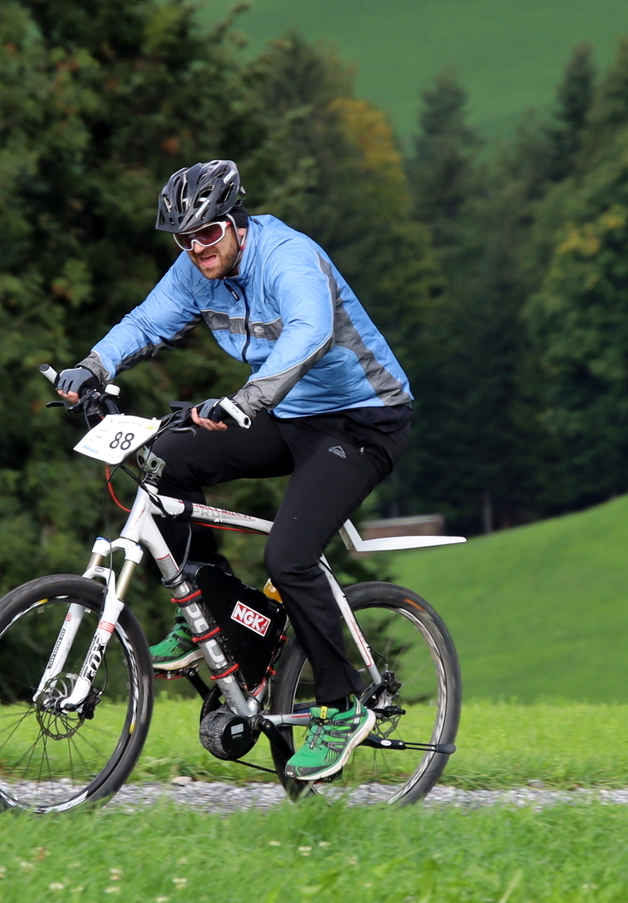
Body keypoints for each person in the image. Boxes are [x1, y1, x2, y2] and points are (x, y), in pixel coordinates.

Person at [53, 159, 414, 782]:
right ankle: (209, 613)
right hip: (287, 414)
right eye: (184, 239)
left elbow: (310, 331)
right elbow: (147, 321)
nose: (196, 248)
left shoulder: (287, 258)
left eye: (207, 233)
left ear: (236, 224)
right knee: (165, 461)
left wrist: (246, 400)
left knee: (290, 556)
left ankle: (341, 704)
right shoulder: (197, 270)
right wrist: (92, 367)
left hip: (363, 421)